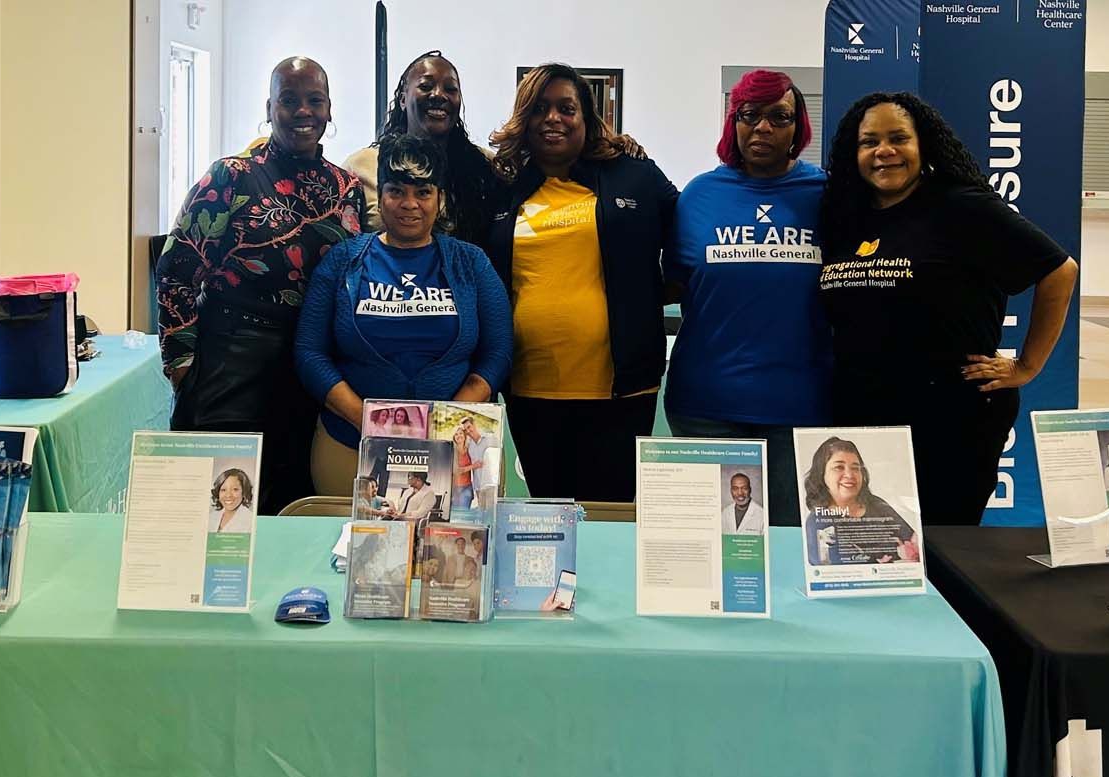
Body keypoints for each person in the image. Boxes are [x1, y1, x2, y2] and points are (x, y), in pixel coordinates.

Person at [819, 92, 1078, 526]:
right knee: (874, 546)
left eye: (898, 138)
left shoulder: (960, 206)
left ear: (924, 145)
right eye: (869, 142)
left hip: (951, 417)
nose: (884, 151)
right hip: (863, 413)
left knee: (944, 547)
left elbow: (1059, 269)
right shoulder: (848, 216)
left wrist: (1028, 365)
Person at [159, 57, 364, 514]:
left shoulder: (347, 188)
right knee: (223, 506)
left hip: (310, 363)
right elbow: (176, 270)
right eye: (289, 100)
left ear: (330, 109)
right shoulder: (230, 176)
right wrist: (181, 362)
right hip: (232, 355)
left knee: (291, 496)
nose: (303, 112)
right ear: (269, 107)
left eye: (315, 101)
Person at [485, 63, 679, 503]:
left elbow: (687, 226)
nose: (553, 118)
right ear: (524, 119)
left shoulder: (634, 175)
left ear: (586, 118)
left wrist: (664, 289)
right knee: (549, 515)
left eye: (566, 108)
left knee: (609, 514)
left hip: (621, 389)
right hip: (530, 388)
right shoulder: (503, 188)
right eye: (540, 109)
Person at [296, 133, 512, 496]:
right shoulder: (342, 261)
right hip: (352, 446)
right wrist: (368, 422)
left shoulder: (470, 262)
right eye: (396, 190)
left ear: (439, 199)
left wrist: (446, 423)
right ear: (379, 197)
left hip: (455, 450)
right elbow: (309, 352)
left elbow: (498, 353)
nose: (409, 204)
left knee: (451, 553)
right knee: (355, 550)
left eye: (423, 192)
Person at [665, 70, 830, 527]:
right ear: (732, 123)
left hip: (800, 408)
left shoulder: (827, 196)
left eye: (779, 116)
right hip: (705, 406)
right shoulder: (698, 196)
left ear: (799, 127)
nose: (762, 127)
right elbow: (675, 283)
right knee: (713, 552)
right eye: (749, 114)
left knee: (787, 549)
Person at [344, 51, 505, 243]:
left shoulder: (485, 165)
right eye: (426, 86)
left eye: (450, 89)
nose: (439, 95)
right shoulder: (362, 166)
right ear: (403, 100)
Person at [801, 437, 919, 565]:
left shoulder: (877, 504)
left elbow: (913, 540)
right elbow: (843, 571)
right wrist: (902, 563)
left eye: (855, 468)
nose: (850, 475)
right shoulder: (818, 523)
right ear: (821, 474)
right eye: (839, 467)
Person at [458, 416, 500, 510]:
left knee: (490, 513)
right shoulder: (470, 446)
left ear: (474, 425)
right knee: (482, 515)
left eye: (469, 427)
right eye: (465, 430)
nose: (468, 431)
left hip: (490, 485)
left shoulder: (490, 439)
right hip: (478, 487)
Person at [209, 468, 255, 533]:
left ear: (244, 491)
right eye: (223, 490)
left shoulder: (251, 520)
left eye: (235, 489)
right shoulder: (211, 517)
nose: (228, 495)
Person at [452, 427, 476, 510]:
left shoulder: (469, 449)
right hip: (454, 489)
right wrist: (473, 466)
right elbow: (456, 471)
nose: (459, 436)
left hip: (466, 487)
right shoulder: (452, 451)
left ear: (465, 436)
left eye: (461, 433)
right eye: (456, 434)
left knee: (463, 514)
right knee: (454, 515)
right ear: (454, 437)